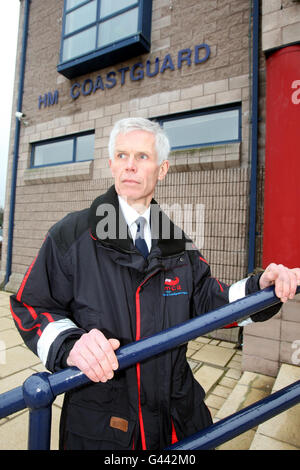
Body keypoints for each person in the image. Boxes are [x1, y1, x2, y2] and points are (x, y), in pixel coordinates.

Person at [10, 117, 300, 450]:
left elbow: (210, 300)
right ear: (111, 164)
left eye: (142, 157)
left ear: (162, 170)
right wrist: (69, 343)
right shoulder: (71, 234)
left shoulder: (177, 242)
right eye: (121, 156)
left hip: (177, 419)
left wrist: (261, 289)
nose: (130, 166)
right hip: (104, 429)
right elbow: (30, 304)